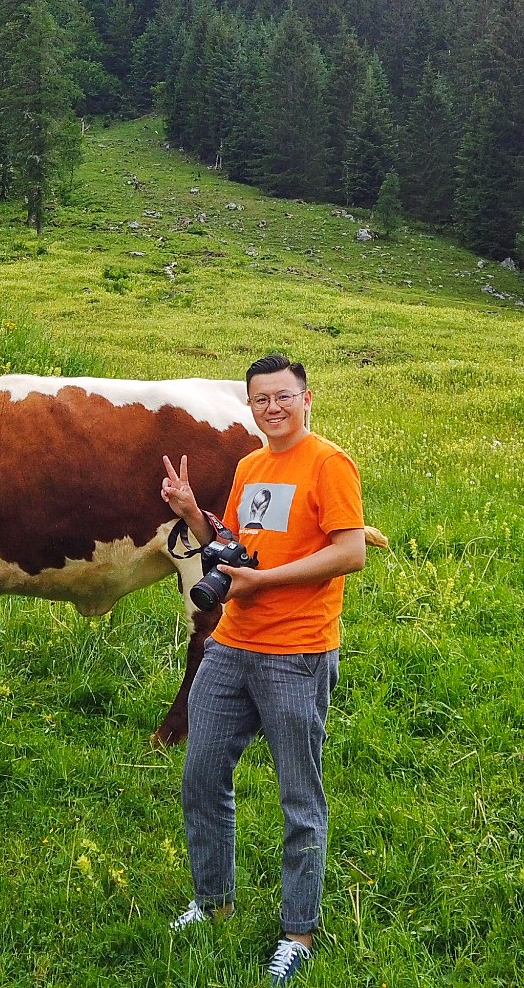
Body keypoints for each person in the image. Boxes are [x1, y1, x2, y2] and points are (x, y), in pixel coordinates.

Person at [160, 352, 368, 985]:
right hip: (230, 644)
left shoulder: (329, 464)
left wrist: (264, 581)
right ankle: (213, 901)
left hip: (297, 652)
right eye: (261, 399)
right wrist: (195, 515)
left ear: (307, 399)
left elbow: (351, 552)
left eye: (283, 397)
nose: (272, 408)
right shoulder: (251, 465)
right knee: (200, 776)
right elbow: (241, 541)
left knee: (298, 796)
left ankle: (298, 933)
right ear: (249, 406)